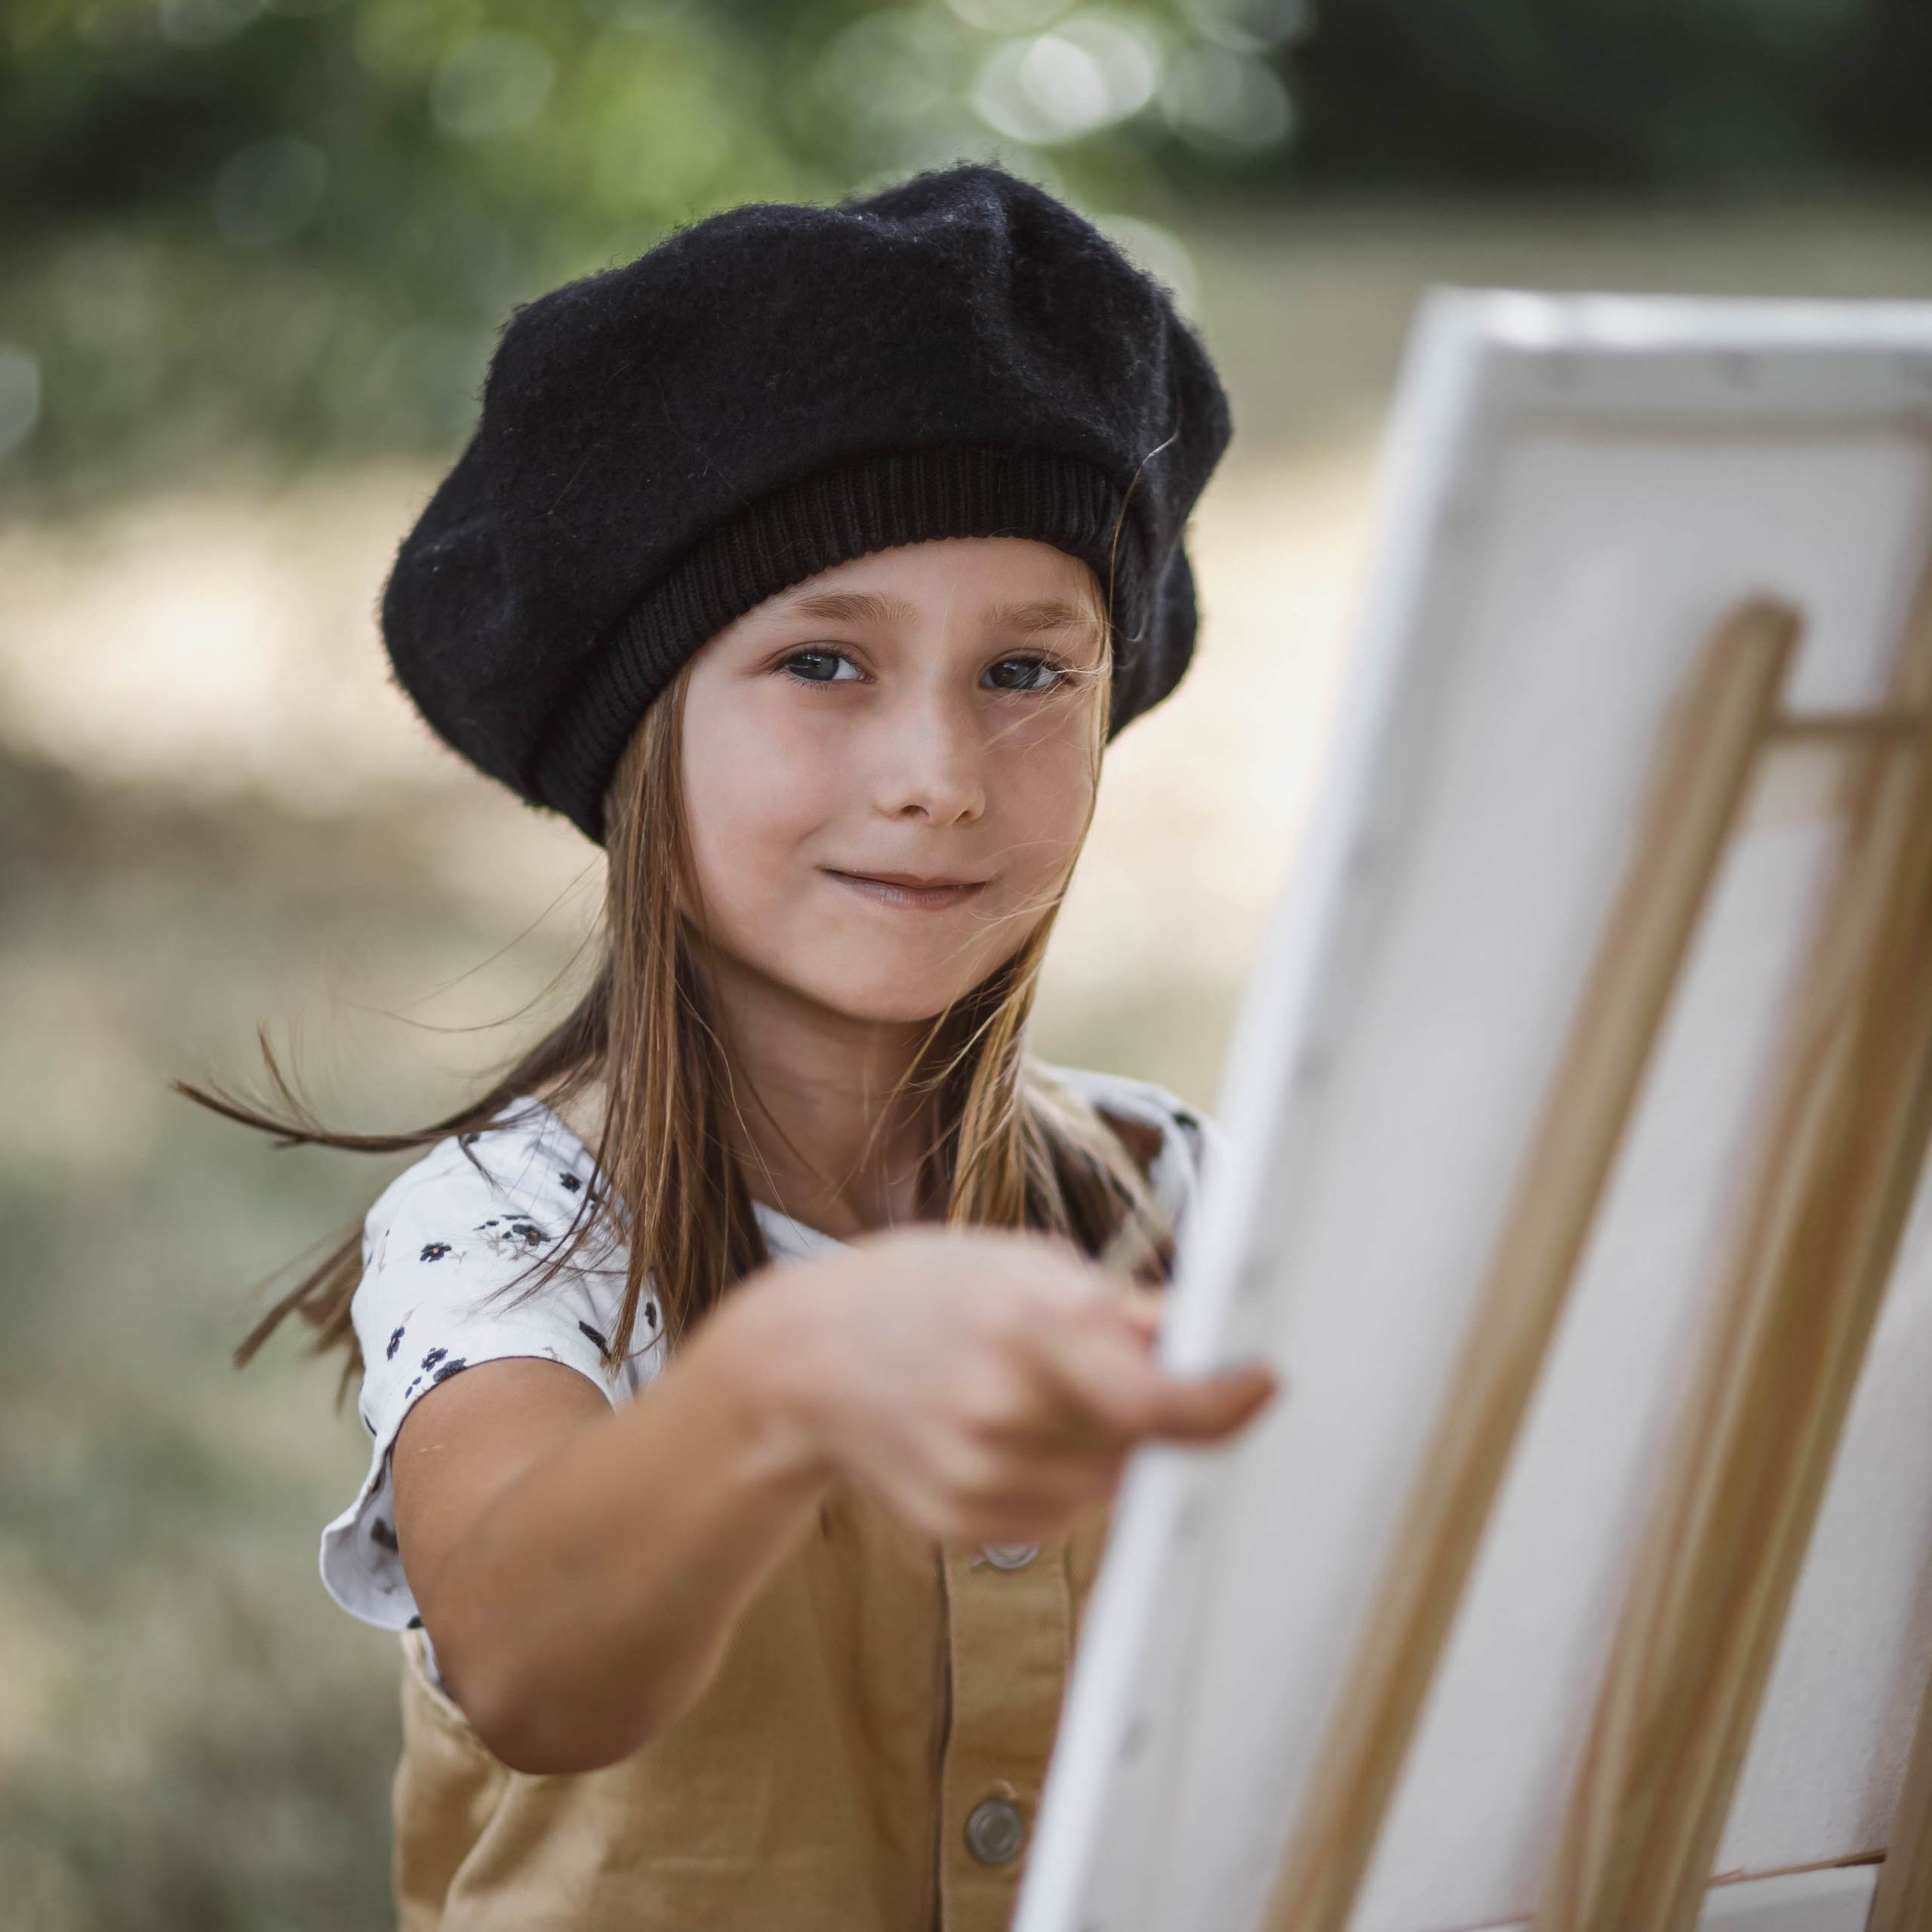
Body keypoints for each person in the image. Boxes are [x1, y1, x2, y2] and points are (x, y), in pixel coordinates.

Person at [198, 164, 1273, 1931]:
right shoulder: (514, 1223)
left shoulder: (1166, 1190)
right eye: (823, 662)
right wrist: (785, 1378)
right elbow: (533, 1661)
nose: (936, 768)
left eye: (1026, 672)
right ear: (643, 736)